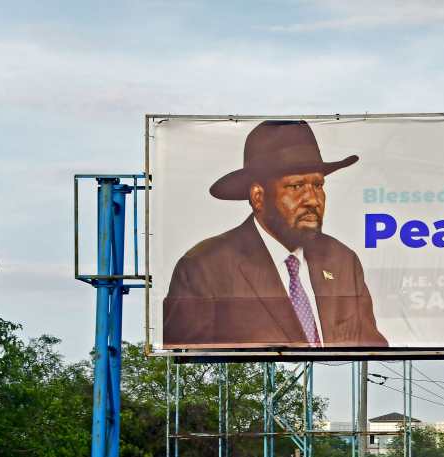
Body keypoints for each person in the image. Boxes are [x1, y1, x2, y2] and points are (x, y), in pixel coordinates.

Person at [163, 120, 388, 348]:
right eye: (296, 186)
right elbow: (187, 360)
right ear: (258, 197)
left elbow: (373, 349)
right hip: (253, 385)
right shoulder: (205, 266)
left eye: (318, 185)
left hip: (332, 384)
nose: (312, 199)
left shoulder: (342, 260)